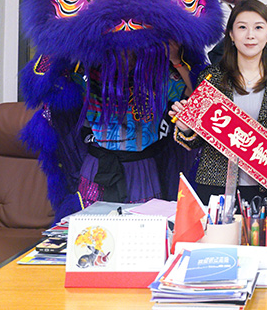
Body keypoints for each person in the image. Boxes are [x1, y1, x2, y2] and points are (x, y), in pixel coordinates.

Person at [169, 0, 267, 206]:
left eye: (258, 27)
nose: (250, 35)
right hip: (215, 186)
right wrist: (186, 129)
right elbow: (197, 141)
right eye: (242, 27)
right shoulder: (211, 78)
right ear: (231, 34)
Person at [77, 42, 193, 207]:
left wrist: (176, 60)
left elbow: (197, 95)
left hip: (141, 168)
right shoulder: (89, 73)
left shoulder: (157, 74)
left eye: (132, 47)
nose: (127, 55)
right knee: (93, 223)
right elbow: (52, 90)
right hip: (97, 166)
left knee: (142, 221)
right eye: (119, 47)